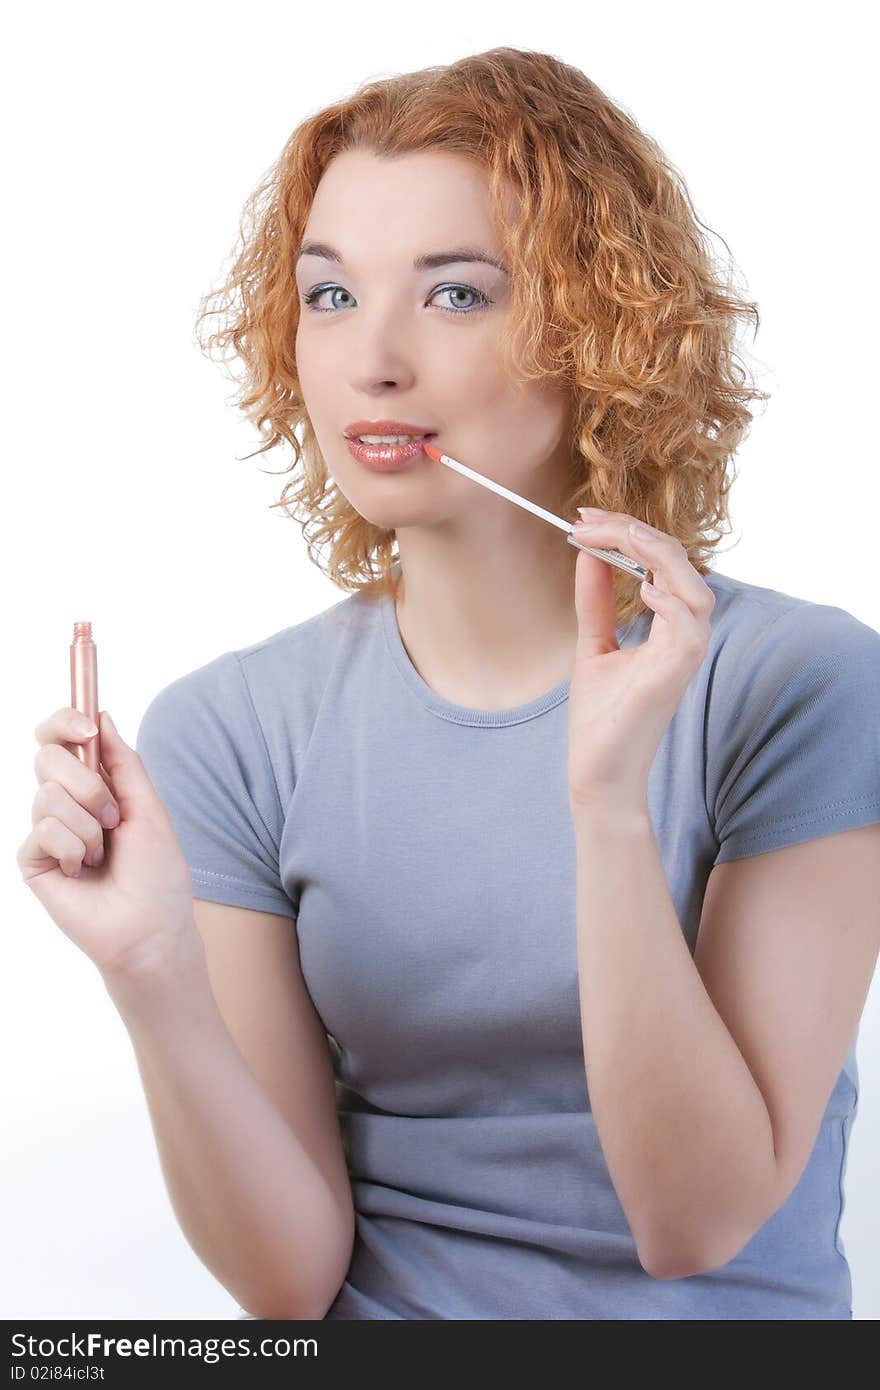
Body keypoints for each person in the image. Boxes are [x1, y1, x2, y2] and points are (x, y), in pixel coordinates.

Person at [20, 47, 880, 1321]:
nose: (372, 359)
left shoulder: (798, 685)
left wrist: (603, 803)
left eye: (456, 294)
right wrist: (153, 974)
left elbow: (695, 1224)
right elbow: (286, 1279)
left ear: (603, 329)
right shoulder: (230, 732)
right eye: (327, 296)